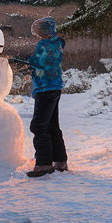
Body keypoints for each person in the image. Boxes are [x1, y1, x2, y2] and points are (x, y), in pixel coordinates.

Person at [6, 17, 68, 177]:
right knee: (52, 125)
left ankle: (43, 163)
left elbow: (41, 64)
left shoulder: (45, 45)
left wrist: (19, 62)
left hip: (45, 88)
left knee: (38, 126)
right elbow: (47, 62)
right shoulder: (58, 43)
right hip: (55, 87)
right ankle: (60, 161)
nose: (36, 35)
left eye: (38, 31)